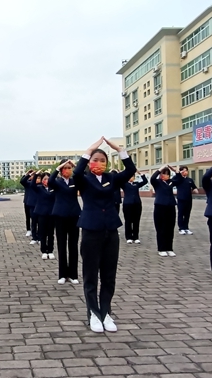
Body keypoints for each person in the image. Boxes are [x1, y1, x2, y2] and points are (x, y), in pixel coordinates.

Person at [74, 137, 136, 334]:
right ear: (90, 163)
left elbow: (131, 171)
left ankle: (106, 312)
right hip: (91, 231)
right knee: (90, 275)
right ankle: (93, 313)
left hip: (111, 231)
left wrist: (120, 150)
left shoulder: (113, 178)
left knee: (109, 276)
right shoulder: (83, 179)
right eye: (95, 160)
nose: (99, 163)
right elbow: (76, 172)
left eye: (102, 160)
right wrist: (89, 150)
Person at [49, 159, 81, 284]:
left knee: (73, 245)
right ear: (61, 170)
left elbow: (85, 177)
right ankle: (62, 274)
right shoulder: (57, 182)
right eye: (65, 168)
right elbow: (50, 180)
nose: (68, 170)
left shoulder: (75, 181)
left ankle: (73, 274)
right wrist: (58, 167)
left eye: (69, 168)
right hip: (60, 216)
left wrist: (76, 166)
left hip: (74, 215)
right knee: (62, 245)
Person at [150, 165, 183, 257]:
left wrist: (176, 171)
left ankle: (169, 248)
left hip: (171, 206)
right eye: (163, 174)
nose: (165, 175)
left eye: (167, 174)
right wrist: (159, 169)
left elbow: (180, 180)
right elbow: (152, 178)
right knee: (161, 228)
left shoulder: (171, 182)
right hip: (160, 207)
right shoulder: (157, 182)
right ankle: (161, 248)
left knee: (170, 228)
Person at [33, 172, 56, 261]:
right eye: (44, 179)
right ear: (42, 180)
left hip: (51, 213)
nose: (46, 181)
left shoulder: (54, 188)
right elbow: (32, 185)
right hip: (41, 213)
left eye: (48, 179)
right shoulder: (39, 188)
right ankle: (43, 251)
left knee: (50, 233)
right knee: (42, 233)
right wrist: (35, 175)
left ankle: (50, 250)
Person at [121, 172, 148, 244]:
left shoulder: (136, 184)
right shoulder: (124, 184)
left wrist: (141, 174)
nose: (131, 178)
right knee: (128, 221)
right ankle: (129, 237)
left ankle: (135, 237)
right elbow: (119, 180)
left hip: (137, 204)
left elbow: (145, 181)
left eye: (132, 176)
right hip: (127, 204)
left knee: (136, 221)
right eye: (130, 176)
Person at [21, 171, 42, 245]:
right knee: (33, 221)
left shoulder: (42, 186)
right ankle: (34, 237)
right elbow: (22, 181)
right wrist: (28, 174)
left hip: (40, 206)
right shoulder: (30, 184)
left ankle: (40, 237)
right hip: (32, 205)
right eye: (36, 177)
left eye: (39, 178)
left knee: (40, 223)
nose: (37, 179)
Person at [175, 166, 198, 235]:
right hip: (181, 199)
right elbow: (173, 182)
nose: (185, 172)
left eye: (186, 170)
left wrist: (195, 190)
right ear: (181, 172)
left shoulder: (190, 180)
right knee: (181, 214)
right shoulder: (178, 179)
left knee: (187, 214)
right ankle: (181, 228)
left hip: (189, 199)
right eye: (184, 171)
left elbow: (194, 187)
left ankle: (186, 228)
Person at [21, 169, 35, 238]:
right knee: (28, 217)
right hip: (27, 202)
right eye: (30, 175)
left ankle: (34, 230)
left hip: (34, 203)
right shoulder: (27, 183)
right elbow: (22, 181)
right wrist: (26, 174)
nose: (31, 176)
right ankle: (28, 230)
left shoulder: (36, 183)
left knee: (34, 217)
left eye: (32, 175)